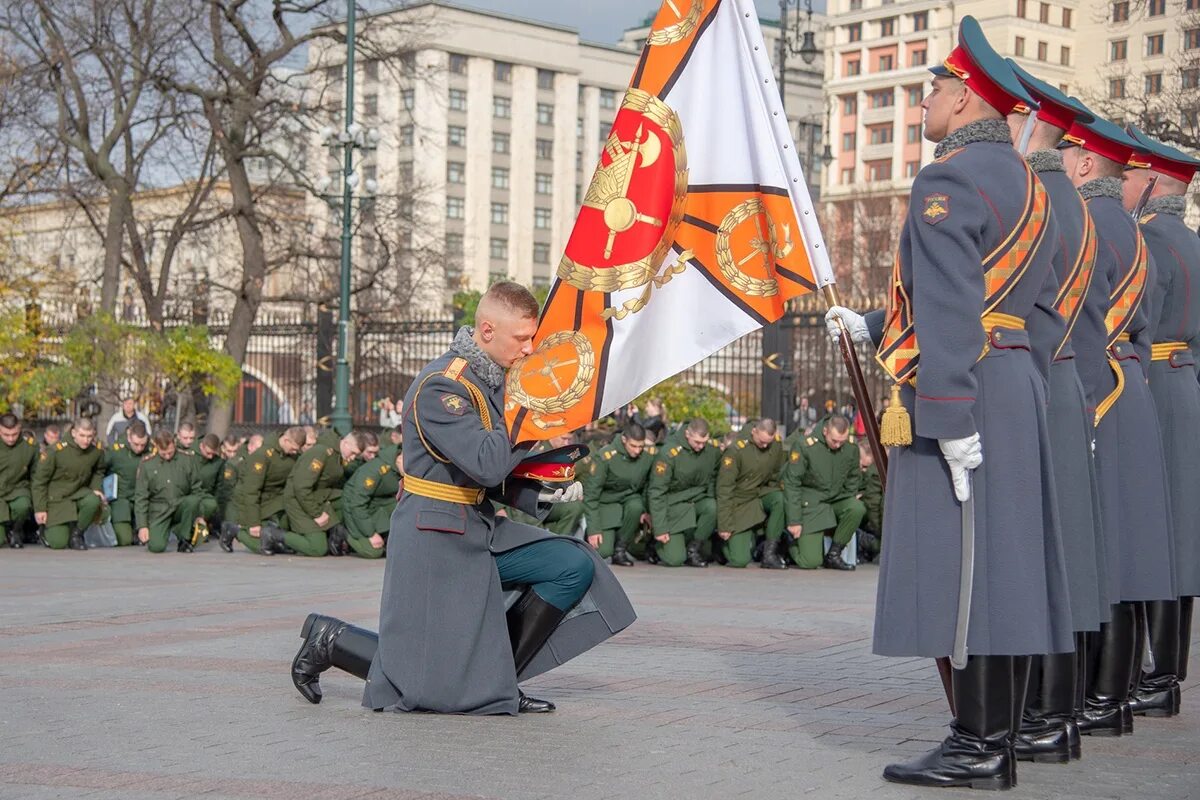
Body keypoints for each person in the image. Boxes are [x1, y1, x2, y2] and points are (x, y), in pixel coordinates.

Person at [826, 20, 1073, 789]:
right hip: (1013, 380)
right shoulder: (1033, 186)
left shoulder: (947, 179)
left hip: (963, 389)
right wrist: (874, 325)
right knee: (1004, 572)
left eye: (933, 88)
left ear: (965, 98)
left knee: (967, 571)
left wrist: (947, 415)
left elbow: (948, 302)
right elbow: (1041, 306)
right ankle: (995, 739)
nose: (925, 101)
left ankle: (976, 745)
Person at [288, 281, 635, 715]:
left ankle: (499, 680)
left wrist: (539, 488)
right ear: (487, 331)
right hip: (435, 531)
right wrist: (529, 407)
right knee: (429, 682)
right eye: (522, 339)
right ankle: (332, 640)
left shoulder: (489, 379)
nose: (530, 350)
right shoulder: (442, 387)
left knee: (571, 565)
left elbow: (481, 473)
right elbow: (486, 463)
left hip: (476, 522)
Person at [1004, 63, 1112, 761]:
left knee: (1039, 557)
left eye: (1010, 121)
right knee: (1066, 552)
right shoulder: (1074, 205)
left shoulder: (1041, 200)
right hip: (1067, 381)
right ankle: (1057, 713)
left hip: (1038, 381)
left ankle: (1042, 714)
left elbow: (1023, 305)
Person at [1059, 113, 1177, 737]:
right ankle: (1117, 696)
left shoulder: (1085, 225)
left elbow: (1076, 319)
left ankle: (1098, 698)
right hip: (1129, 381)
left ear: (1083, 165)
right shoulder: (1132, 230)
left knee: (1096, 550)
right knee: (1126, 551)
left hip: (1096, 387)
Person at [1124, 127, 1200, 718]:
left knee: (1150, 532)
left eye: (1129, 174)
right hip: (1186, 386)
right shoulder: (1195, 243)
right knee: (1180, 535)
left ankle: (1154, 675)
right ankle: (1169, 674)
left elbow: (1134, 319)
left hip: (1147, 385)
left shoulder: (1145, 242)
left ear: (1153, 184)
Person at [781, 414, 862, 571]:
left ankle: (834, 554)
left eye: (842, 441)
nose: (838, 445)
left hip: (837, 498)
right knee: (809, 562)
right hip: (812, 503)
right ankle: (789, 541)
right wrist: (794, 520)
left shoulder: (851, 447)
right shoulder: (805, 446)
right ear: (825, 431)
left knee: (856, 508)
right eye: (834, 440)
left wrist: (849, 497)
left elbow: (853, 477)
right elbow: (792, 484)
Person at [646, 418, 719, 568]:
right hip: (672, 505)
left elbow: (712, 479)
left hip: (697, 500)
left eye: (704, 442)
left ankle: (694, 549)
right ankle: (653, 543)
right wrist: (660, 528)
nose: (700, 446)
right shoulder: (669, 453)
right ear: (687, 434)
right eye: (697, 442)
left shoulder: (711, 451)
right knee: (675, 560)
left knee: (712, 507)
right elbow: (657, 492)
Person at [220, 427, 305, 555]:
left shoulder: (293, 456)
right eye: (293, 448)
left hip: (274, 501)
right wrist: (254, 523)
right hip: (250, 501)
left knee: (277, 540)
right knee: (261, 546)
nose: (294, 452)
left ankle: (273, 533)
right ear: (286, 440)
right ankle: (234, 530)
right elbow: (251, 491)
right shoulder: (262, 456)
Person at [715, 418, 785, 569]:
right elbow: (725, 489)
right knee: (740, 561)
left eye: (769, 442)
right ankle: (720, 542)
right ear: (754, 431)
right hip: (739, 502)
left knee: (780, 499)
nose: (765, 445)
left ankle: (769, 554)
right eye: (761, 441)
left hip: (759, 494)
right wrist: (724, 525)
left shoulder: (776, 444)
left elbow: (775, 474)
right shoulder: (735, 451)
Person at [281, 429, 364, 557]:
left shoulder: (336, 454)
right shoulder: (321, 452)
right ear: (345, 443)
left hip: (316, 497)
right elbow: (301, 487)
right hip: (298, 500)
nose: (352, 458)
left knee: (348, 498)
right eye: (352, 453)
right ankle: (275, 535)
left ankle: (334, 534)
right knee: (317, 548)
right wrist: (317, 515)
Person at [580, 423, 653, 566]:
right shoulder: (605, 457)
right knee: (603, 551)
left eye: (641, 446)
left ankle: (621, 548)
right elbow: (591, 495)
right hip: (606, 504)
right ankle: (589, 537)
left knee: (636, 506)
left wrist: (646, 510)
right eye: (633, 446)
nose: (638, 450)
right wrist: (594, 529)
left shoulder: (648, 455)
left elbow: (649, 485)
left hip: (629, 501)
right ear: (624, 440)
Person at [31, 417, 107, 551]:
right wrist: (40, 508)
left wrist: (96, 487)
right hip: (57, 498)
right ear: (73, 433)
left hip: (79, 492)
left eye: (90, 436)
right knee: (58, 543)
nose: (86, 440)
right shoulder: (56, 451)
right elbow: (39, 481)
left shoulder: (96, 451)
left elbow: (99, 470)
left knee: (93, 501)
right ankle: (43, 530)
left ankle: (77, 534)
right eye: (82, 435)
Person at [134, 429, 214, 553]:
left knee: (193, 501)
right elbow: (141, 497)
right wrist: (142, 526)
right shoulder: (147, 464)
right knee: (156, 547)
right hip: (159, 511)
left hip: (180, 505)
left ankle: (185, 538)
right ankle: (174, 529)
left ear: (174, 443)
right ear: (156, 447)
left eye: (170, 452)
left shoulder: (187, 460)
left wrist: (200, 515)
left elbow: (196, 489)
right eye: (163, 453)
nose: (167, 456)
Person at [341, 450, 401, 559]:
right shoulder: (375, 470)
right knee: (374, 551)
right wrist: (371, 533)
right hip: (355, 506)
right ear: (399, 459)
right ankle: (344, 533)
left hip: (377, 503)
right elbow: (357, 503)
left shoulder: (399, 469)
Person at [104, 421, 151, 547]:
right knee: (124, 540)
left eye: (142, 445)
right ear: (129, 437)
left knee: (151, 538)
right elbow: (99, 470)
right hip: (122, 500)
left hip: (144, 501)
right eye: (136, 444)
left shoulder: (152, 450)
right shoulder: (115, 451)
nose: (139, 448)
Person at [0, 413, 38, 549]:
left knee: (23, 505)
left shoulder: (30, 447)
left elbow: (36, 475)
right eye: (6, 434)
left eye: (14, 434)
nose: (10, 438)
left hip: (18, 488)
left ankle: (16, 530)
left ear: (20, 428)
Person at [856, 448, 883, 563]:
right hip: (872, 518)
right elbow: (873, 503)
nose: (864, 470)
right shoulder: (875, 471)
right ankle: (861, 538)